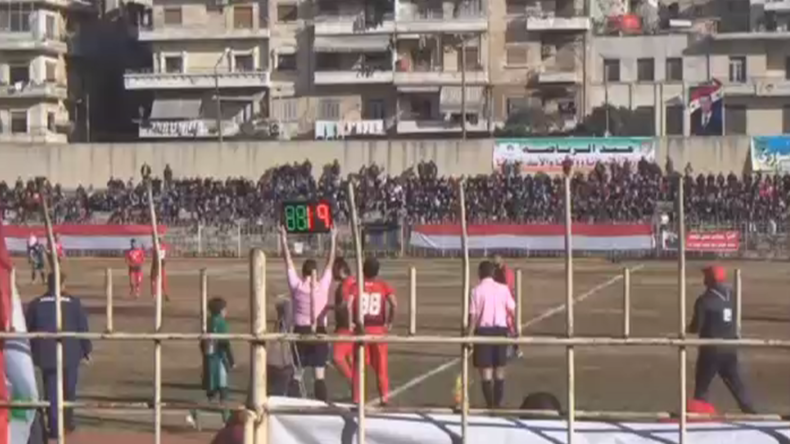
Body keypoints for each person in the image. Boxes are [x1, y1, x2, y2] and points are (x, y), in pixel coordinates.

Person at [25, 273, 92, 438]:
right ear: (63, 284)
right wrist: (87, 350)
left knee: (52, 390)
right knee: (68, 390)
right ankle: (66, 423)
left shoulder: (36, 304)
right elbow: (82, 328)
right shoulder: (74, 303)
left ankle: (56, 425)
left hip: (46, 353)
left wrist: (32, 351)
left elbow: (28, 329)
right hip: (70, 352)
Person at [687, 265, 756, 414]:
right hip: (730, 346)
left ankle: (699, 410)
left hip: (711, 349)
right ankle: (750, 411)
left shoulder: (704, 300)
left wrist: (687, 329)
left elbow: (696, 327)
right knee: (735, 382)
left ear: (710, 279)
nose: (704, 279)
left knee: (702, 384)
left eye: (706, 276)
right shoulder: (732, 296)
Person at [279, 225, 337, 401]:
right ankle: (322, 406)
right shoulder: (323, 285)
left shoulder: (297, 286)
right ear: (315, 273)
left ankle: (292, 404)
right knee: (319, 374)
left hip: (300, 332)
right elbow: (330, 262)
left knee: (297, 373)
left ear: (303, 273)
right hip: (319, 332)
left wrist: (283, 238)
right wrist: (333, 238)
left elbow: (288, 262)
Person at [348, 257, 397, 406]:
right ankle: (384, 397)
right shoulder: (382, 286)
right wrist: (389, 322)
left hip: (362, 330)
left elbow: (348, 305)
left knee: (359, 365)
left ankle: (357, 397)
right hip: (378, 331)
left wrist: (351, 322)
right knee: (381, 366)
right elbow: (394, 304)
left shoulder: (356, 286)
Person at [469, 260, 515, 409]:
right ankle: (498, 403)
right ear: (493, 273)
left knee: (486, 371)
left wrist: (469, 336)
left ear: (480, 274)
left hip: (483, 331)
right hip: (501, 331)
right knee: (500, 369)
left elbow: (473, 316)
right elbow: (513, 309)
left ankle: (490, 405)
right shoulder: (503, 289)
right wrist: (514, 328)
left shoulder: (476, 291)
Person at [188, 297, 235, 429]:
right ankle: (226, 419)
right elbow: (226, 343)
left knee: (212, 392)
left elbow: (202, 344)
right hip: (219, 360)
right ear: (220, 310)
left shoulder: (207, 322)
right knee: (223, 390)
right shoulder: (221, 323)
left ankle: (194, 414)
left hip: (209, 361)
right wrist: (231, 360)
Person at [330, 257, 362, 386]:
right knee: (350, 359)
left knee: (337, 357)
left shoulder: (345, 286)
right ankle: (358, 389)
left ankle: (354, 384)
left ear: (341, 270)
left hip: (345, 327)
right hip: (355, 327)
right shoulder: (355, 282)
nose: (333, 273)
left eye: (335, 270)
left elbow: (346, 306)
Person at [492, 254, 521, 359]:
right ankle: (512, 348)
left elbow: (507, 288)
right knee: (507, 326)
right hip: (502, 301)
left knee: (509, 326)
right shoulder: (497, 272)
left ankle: (515, 349)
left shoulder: (506, 273)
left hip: (505, 302)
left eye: (497, 263)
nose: (495, 265)